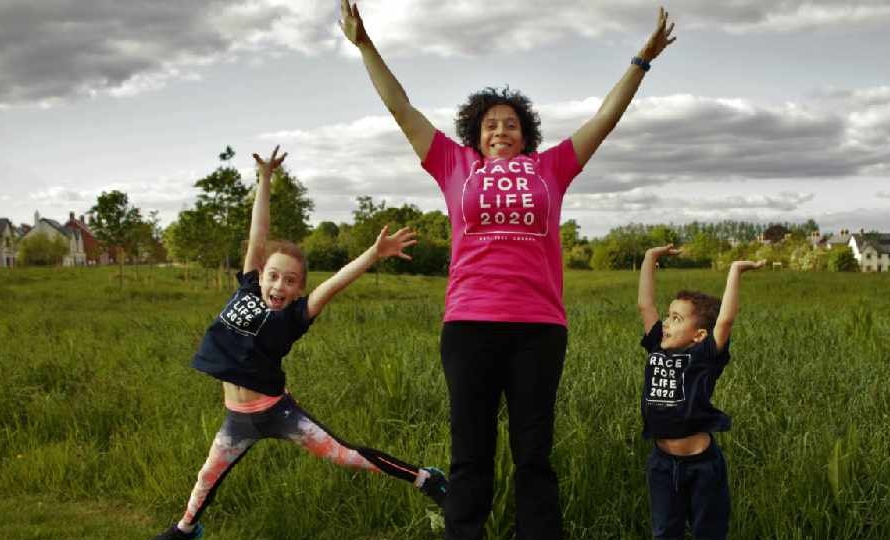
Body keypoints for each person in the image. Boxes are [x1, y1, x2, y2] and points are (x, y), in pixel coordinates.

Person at [340, 3, 676, 538]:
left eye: (511, 124)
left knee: (533, 453)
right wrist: (364, 45)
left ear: (526, 135)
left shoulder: (552, 168)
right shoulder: (454, 165)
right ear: (476, 134)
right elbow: (400, 108)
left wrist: (641, 60)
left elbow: (604, 119)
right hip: (469, 324)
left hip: (538, 329)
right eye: (491, 124)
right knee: (469, 453)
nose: (501, 130)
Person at [152, 147, 448, 540]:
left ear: (298, 289)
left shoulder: (293, 317)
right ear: (261, 274)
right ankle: (186, 528)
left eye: (290, 281)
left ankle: (427, 479)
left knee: (347, 456)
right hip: (236, 418)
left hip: (278, 411)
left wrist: (373, 255)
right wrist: (265, 180)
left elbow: (335, 283)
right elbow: (258, 233)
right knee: (210, 471)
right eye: (273, 276)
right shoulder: (246, 287)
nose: (279, 285)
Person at [637, 244, 764, 539]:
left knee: (709, 532)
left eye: (676, 319)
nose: (666, 323)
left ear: (699, 335)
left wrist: (735, 271)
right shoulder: (658, 345)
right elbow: (645, 305)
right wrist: (649, 258)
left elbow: (726, 320)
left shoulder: (704, 356)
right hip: (662, 463)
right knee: (665, 531)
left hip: (702, 465)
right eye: (668, 316)